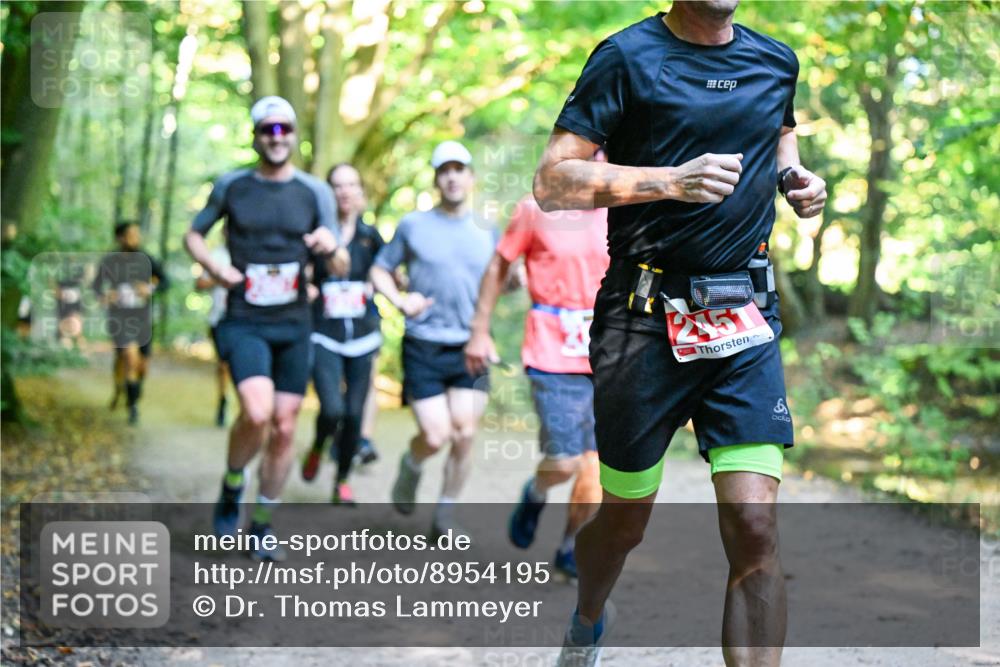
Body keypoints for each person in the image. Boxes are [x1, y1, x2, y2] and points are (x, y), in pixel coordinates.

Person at [533, 2, 827, 665]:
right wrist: (670, 180)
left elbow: (780, 141)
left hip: (742, 318)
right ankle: (586, 619)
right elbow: (552, 180)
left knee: (756, 525)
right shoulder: (627, 57)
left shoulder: (775, 61)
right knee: (624, 519)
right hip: (641, 323)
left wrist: (795, 180)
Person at [184, 96, 345, 561]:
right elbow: (194, 234)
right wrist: (216, 268)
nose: (276, 138)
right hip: (244, 319)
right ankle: (233, 484)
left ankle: (262, 524)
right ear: (255, 136)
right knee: (256, 413)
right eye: (267, 131)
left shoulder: (316, 193)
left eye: (284, 130)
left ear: (294, 135)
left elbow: (340, 261)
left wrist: (330, 246)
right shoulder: (233, 186)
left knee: (286, 425)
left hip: (294, 322)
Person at [464, 155, 609, 580]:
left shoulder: (621, 211)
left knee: (596, 464)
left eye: (604, 153)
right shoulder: (534, 208)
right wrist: (479, 330)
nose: (597, 160)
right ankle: (537, 490)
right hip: (551, 350)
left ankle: (570, 547)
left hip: (609, 352)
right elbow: (498, 266)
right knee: (564, 460)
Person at [370, 140, 496, 538]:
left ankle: (445, 515)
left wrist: (513, 281)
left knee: (465, 433)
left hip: (469, 347)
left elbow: (499, 284)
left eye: (459, 169)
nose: (452, 177)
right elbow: (379, 271)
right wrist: (399, 300)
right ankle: (413, 462)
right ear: (436, 180)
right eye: (445, 170)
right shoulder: (413, 226)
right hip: (423, 343)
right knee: (436, 434)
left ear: (471, 178)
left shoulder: (487, 230)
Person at [301, 163, 385, 505]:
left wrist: (384, 285)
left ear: (361, 193)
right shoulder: (316, 236)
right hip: (324, 334)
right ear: (327, 193)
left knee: (354, 414)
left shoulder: (371, 236)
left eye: (351, 185)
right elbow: (300, 272)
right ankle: (319, 445)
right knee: (332, 409)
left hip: (363, 336)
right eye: (337, 185)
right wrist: (307, 288)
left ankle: (342, 479)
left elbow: (387, 272)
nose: (345, 192)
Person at [93, 221, 169, 425]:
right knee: (129, 355)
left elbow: (166, 282)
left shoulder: (148, 259)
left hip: (142, 317)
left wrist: (149, 289)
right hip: (119, 317)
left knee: (141, 364)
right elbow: (96, 287)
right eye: (131, 234)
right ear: (120, 238)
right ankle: (132, 407)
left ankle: (128, 387)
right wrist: (106, 295)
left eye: (137, 234)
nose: (135, 238)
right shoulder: (109, 261)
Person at [195, 243, 232, 427]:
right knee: (224, 365)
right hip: (221, 319)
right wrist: (222, 278)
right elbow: (200, 284)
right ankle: (223, 401)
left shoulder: (257, 246)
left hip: (251, 320)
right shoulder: (216, 255)